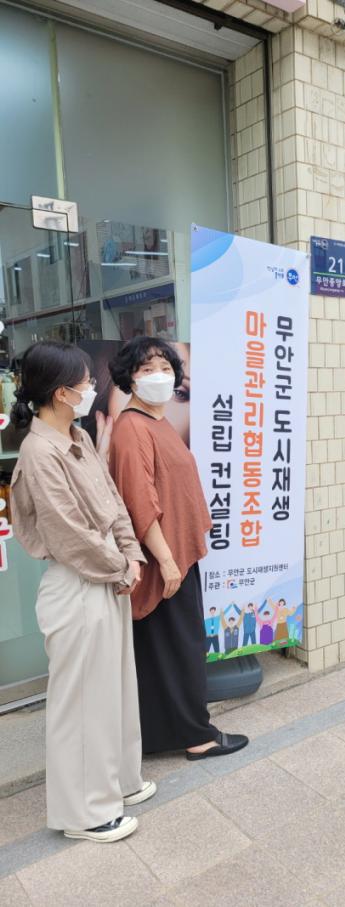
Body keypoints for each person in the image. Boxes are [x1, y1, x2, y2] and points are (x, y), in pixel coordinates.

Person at [9, 341, 155, 843]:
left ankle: (120, 782)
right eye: (86, 382)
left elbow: (112, 501)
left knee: (114, 690)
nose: (92, 389)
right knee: (82, 702)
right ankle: (85, 814)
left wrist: (131, 555)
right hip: (78, 582)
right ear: (60, 392)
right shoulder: (38, 452)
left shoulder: (79, 437)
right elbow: (68, 532)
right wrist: (120, 566)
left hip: (108, 575)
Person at [107, 336, 248, 761]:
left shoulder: (158, 421)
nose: (159, 376)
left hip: (176, 557)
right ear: (129, 378)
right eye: (147, 369)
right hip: (162, 561)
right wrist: (167, 562)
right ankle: (196, 737)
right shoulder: (132, 427)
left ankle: (161, 736)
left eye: (166, 369)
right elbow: (138, 501)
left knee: (169, 651)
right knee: (178, 650)